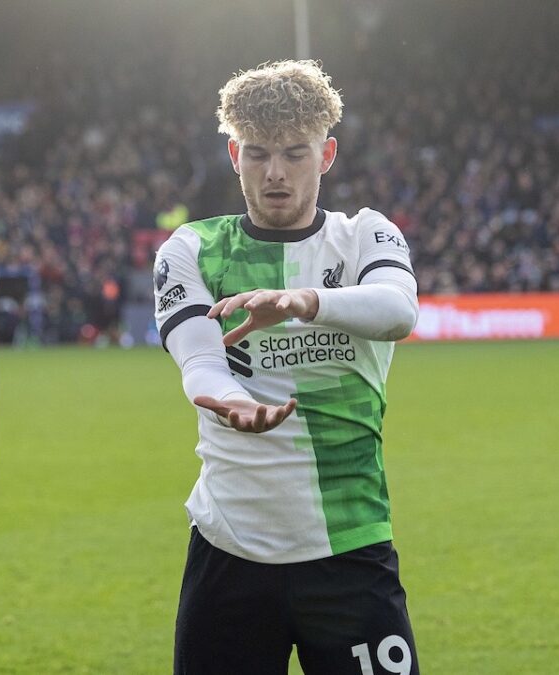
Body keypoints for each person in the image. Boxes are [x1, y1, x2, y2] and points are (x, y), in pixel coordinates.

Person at [154, 60, 421, 675]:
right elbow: (197, 359)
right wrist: (227, 400)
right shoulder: (193, 247)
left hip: (350, 545)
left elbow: (398, 311)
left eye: (295, 154)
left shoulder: (364, 238)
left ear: (326, 155)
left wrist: (306, 301)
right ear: (233, 154)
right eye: (258, 154)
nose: (275, 173)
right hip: (230, 551)